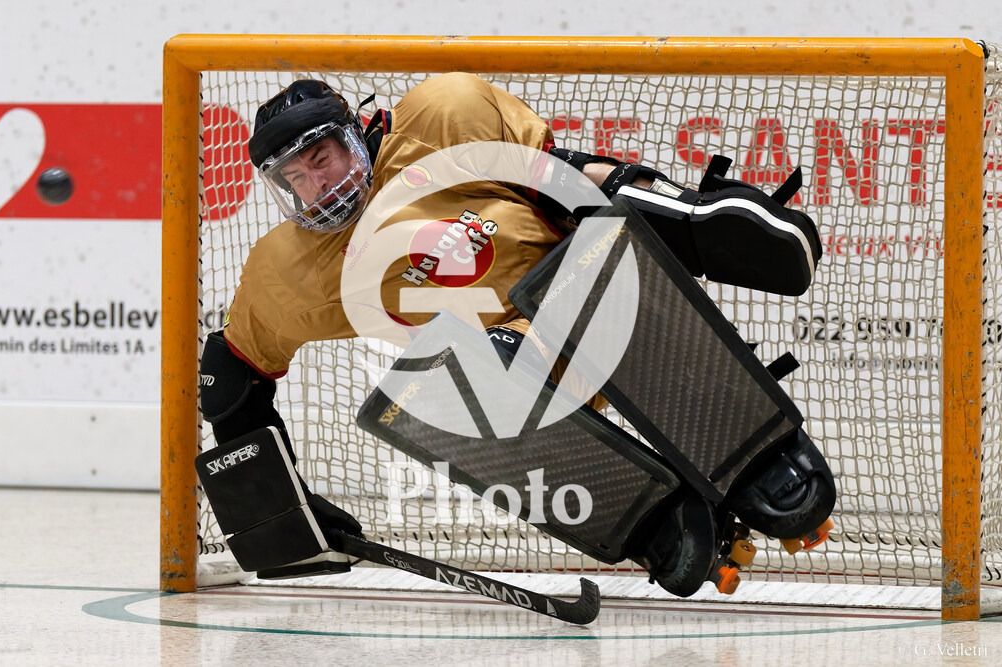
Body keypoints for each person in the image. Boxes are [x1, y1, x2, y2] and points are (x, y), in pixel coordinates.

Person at [195, 72, 821, 583]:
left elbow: (573, 180)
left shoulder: (439, 120)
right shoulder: (291, 268)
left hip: (588, 306)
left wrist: (691, 219)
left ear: (355, 135)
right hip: (511, 377)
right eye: (294, 179)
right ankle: (654, 525)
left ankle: (756, 456)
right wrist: (279, 505)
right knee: (440, 385)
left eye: (321, 159)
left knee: (592, 255)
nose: (316, 187)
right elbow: (232, 378)